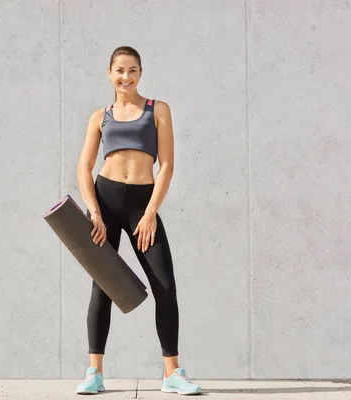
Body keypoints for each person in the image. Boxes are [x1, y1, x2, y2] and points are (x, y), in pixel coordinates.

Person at [74, 46, 201, 396]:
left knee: (165, 286)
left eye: (132, 70)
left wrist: (148, 215)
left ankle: (172, 373)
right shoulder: (100, 116)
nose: (126, 77)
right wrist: (94, 211)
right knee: (102, 287)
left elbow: (168, 167)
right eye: (119, 70)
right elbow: (84, 169)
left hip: (143, 203)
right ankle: (94, 373)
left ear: (141, 73)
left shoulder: (157, 109)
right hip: (105, 200)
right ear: (109, 73)